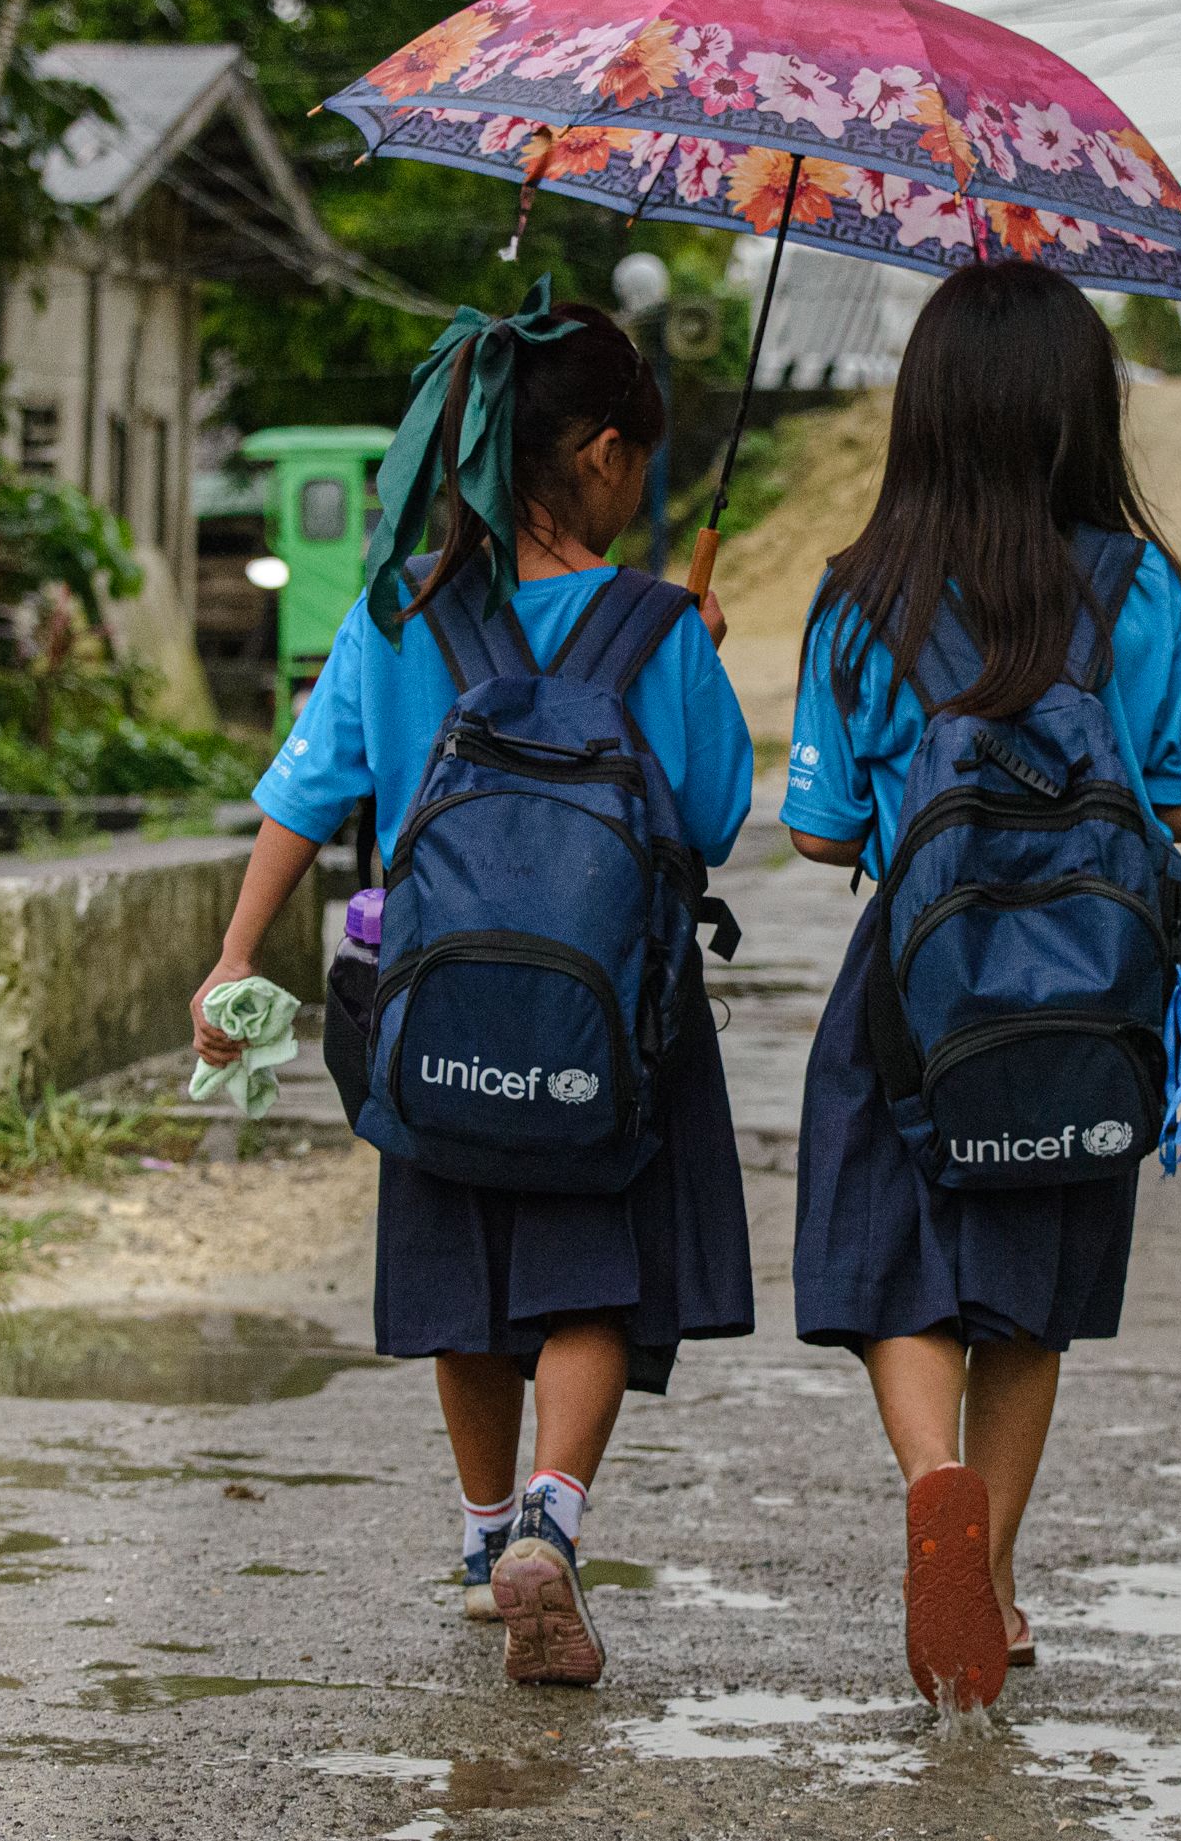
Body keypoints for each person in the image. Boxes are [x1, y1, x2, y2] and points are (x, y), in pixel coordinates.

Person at [190, 295, 753, 1688]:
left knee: (462, 1274)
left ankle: (481, 1532)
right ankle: (552, 1528)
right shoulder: (655, 625)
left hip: (430, 1012)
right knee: (593, 1279)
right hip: (611, 1022)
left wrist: (235, 955)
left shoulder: (402, 607)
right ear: (606, 455)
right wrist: (695, 647)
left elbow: (304, 794)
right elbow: (715, 814)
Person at [779, 260, 1181, 1705]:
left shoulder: (862, 595)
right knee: (1027, 1298)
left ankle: (933, 1483)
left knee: (895, 1269)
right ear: (1078, 418)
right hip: (1082, 999)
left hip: (911, 996)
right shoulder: (1138, 584)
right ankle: (994, 1578)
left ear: (923, 414)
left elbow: (818, 828)